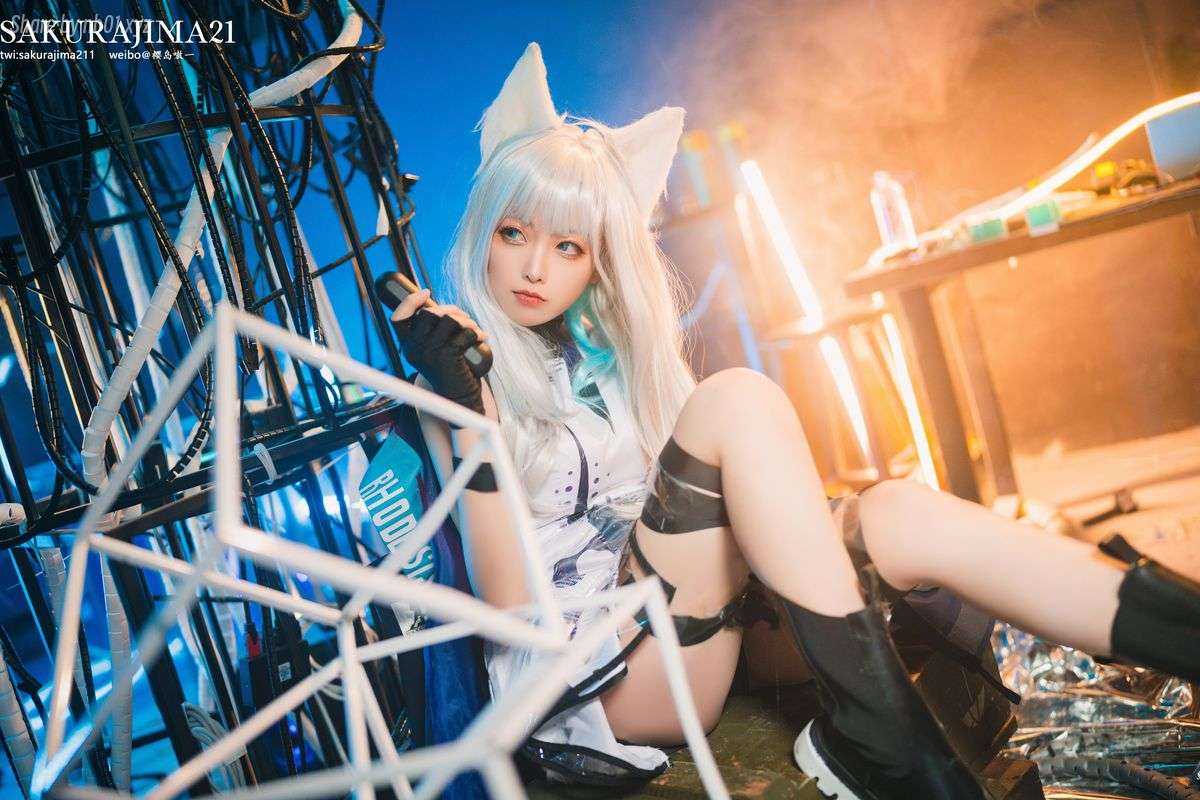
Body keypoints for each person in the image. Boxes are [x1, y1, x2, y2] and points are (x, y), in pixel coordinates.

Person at [389, 42, 1200, 800]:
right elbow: (506, 608)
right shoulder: (457, 381)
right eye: (514, 234)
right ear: (485, 233)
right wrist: (469, 412)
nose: (534, 266)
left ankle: (1184, 632)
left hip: (698, 626)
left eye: (569, 247)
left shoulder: (607, 363)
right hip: (605, 681)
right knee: (736, 398)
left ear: (601, 263)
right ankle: (882, 744)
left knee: (897, 512)